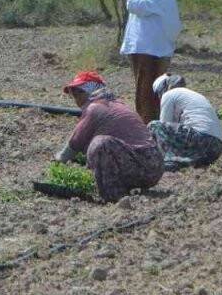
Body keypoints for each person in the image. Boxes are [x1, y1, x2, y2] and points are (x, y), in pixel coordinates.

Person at [54, 71, 163, 202]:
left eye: (79, 92)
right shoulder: (118, 104)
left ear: (91, 91)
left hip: (144, 163)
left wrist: (58, 162)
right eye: (73, 94)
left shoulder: (94, 108)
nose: (76, 98)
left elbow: (74, 143)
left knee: (100, 144)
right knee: (94, 147)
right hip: (152, 165)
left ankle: (113, 195)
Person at [120, 0, 182, 123]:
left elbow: (132, 5)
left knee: (145, 92)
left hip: (147, 51)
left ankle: (146, 126)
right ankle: (155, 124)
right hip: (156, 50)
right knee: (155, 90)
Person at [148, 73, 222, 171]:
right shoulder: (193, 95)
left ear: (162, 88)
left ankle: (168, 160)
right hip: (216, 149)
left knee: (154, 125)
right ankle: (182, 161)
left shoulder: (168, 95)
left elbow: (163, 126)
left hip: (201, 139)